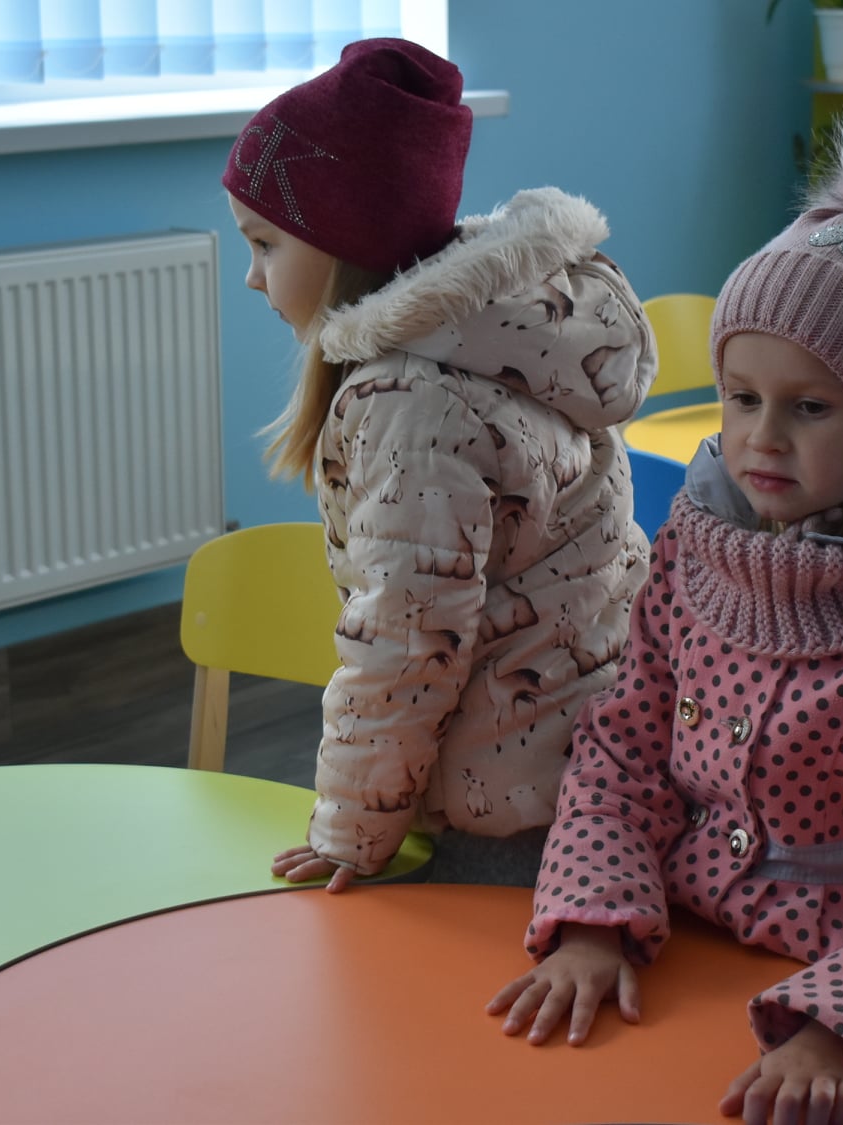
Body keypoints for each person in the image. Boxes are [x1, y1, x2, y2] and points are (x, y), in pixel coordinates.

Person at [486, 115, 843, 1125]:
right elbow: (622, 752)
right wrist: (593, 923)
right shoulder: (696, 548)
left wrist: (838, 1029)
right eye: (742, 397)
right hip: (675, 949)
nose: (761, 437)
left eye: (811, 408)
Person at [220, 39, 656, 890]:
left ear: (344, 243)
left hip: (512, 808)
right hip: (591, 754)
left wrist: (352, 830)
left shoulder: (411, 403)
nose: (251, 276)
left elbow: (408, 640)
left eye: (265, 244)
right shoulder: (508, 342)